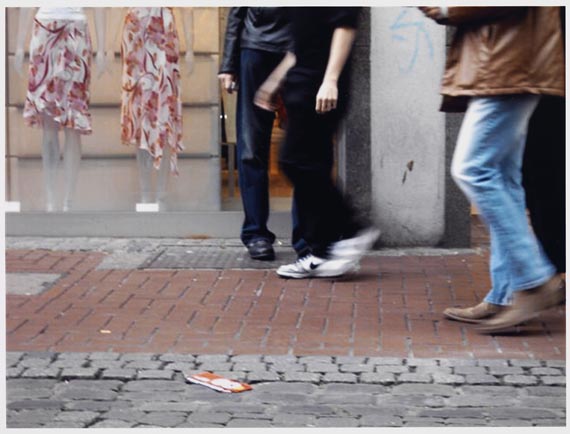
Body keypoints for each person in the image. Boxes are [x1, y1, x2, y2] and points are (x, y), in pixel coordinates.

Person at [419, 6, 565, 332]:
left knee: (474, 170)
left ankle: (534, 281)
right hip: (511, 61)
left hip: (509, 62)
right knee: (503, 179)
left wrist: (445, 8)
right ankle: (504, 293)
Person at [255, 7, 380, 279]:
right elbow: (300, 42)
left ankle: (353, 228)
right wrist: (274, 81)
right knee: (313, 165)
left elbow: (345, 27)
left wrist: (331, 80)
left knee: (294, 161)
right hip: (301, 81)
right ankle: (321, 253)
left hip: (319, 85)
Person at [219, 7, 308, 261]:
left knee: (303, 147)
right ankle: (256, 233)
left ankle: (305, 236)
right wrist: (228, 64)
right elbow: (236, 11)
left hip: (298, 49)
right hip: (256, 49)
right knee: (250, 146)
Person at [14, 7, 106, 212]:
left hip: (76, 31)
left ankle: (69, 200)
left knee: (73, 120)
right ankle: (50, 199)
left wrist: (101, 48)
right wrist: (19, 46)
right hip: (44, 30)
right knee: (48, 123)